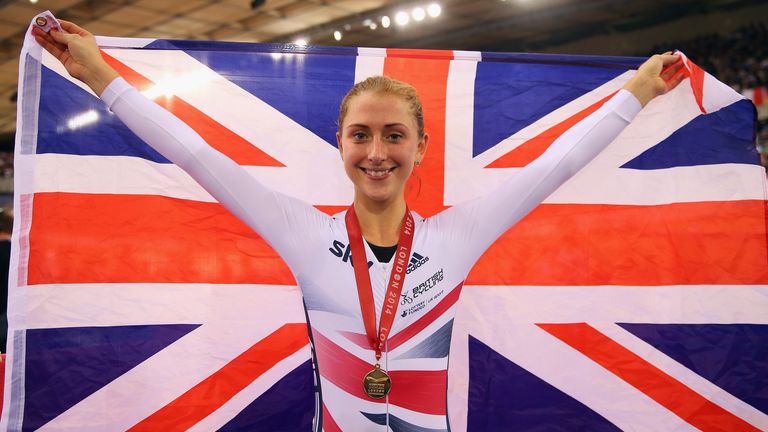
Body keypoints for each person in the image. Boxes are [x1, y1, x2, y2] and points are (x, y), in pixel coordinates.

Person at [32, 20, 684, 432]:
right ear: (339, 143)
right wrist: (99, 75)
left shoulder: (454, 239)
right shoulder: (301, 232)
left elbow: (554, 165)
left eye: (394, 136)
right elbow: (198, 155)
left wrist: (638, 92)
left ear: (421, 147)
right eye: (362, 135)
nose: (377, 153)